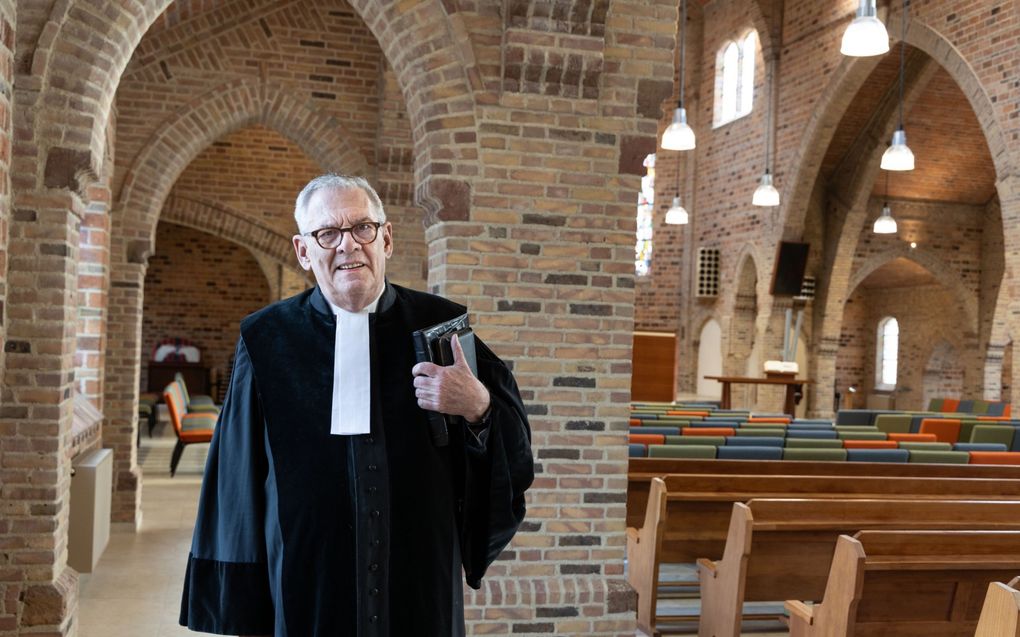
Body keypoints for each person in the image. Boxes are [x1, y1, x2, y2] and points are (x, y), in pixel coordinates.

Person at [179, 174, 534, 636]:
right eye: (328, 233)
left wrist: (478, 405)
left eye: (362, 228)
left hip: (419, 573)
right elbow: (236, 472)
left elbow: (510, 447)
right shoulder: (266, 338)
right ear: (304, 251)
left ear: (385, 238)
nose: (348, 245)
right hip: (306, 578)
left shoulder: (440, 325)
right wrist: (240, 596)